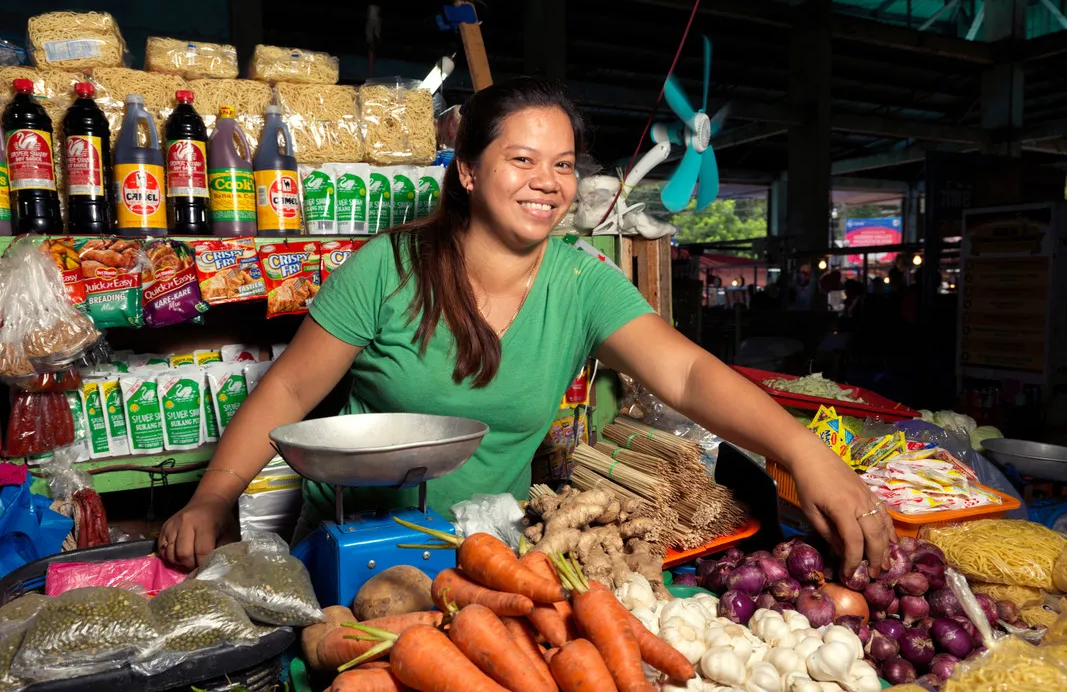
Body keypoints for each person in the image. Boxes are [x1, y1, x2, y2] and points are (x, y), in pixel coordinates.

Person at [159, 78, 892, 576]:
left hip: (493, 553)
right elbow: (287, 392)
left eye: (564, 164)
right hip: (357, 548)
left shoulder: (580, 283)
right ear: (470, 174)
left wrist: (803, 452)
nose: (548, 181)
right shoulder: (388, 266)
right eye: (522, 159)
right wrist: (212, 498)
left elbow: (689, 373)